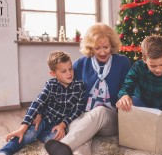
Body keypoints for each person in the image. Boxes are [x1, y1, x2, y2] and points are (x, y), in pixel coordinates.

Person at [43, 23, 131, 155]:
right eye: (97, 48)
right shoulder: (80, 64)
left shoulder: (122, 62)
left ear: (112, 44)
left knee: (99, 111)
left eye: (106, 47)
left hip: (108, 118)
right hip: (82, 115)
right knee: (81, 135)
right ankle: (67, 152)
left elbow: (128, 86)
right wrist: (40, 113)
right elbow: (60, 89)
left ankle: (63, 145)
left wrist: (126, 96)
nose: (102, 52)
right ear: (90, 47)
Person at [0, 51, 86, 155]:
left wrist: (62, 125)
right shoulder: (50, 84)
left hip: (59, 124)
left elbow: (78, 110)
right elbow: (38, 103)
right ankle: (3, 152)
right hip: (44, 119)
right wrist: (23, 127)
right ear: (53, 73)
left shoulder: (80, 86)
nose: (69, 73)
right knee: (27, 135)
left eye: (70, 69)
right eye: (64, 71)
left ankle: (40, 135)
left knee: (59, 139)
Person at [116, 35, 162, 112]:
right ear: (144, 60)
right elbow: (127, 86)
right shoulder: (138, 67)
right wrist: (124, 95)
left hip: (160, 108)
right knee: (129, 101)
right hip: (139, 104)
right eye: (153, 66)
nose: (158, 69)